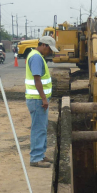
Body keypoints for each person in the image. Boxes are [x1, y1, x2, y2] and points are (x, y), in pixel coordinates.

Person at [25, 36, 59, 168]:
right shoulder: (36, 57)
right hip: (37, 100)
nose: (50, 52)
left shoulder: (37, 56)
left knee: (42, 128)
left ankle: (41, 155)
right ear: (44, 45)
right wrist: (44, 99)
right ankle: (36, 158)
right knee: (38, 129)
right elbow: (37, 80)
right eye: (50, 49)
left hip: (39, 99)